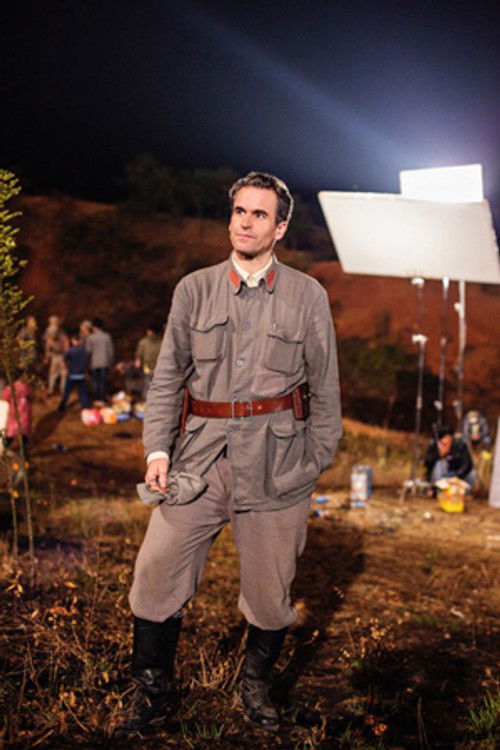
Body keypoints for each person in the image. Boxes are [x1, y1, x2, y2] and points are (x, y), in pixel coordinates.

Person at [117, 172, 342, 735]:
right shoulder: (194, 289)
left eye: (259, 214)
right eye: (240, 211)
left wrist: (313, 461)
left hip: (277, 467)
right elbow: (168, 379)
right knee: (155, 572)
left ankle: (256, 690)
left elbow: (326, 389)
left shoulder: (307, 296)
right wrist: (157, 450)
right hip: (199, 462)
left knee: (269, 595)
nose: (245, 222)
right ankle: (151, 694)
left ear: (280, 228)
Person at [58, 332, 91, 411]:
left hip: (72, 374)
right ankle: (86, 406)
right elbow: (87, 361)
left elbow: (64, 362)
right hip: (81, 374)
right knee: (83, 392)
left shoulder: (70, 350)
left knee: (67, 392)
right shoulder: (84, 350)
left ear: (73, 341)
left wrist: (66, 368)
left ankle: (62, 406)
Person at [2, 374, 32, 459]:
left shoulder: (11, 387)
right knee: (24, 435)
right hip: (25, 413)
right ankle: (24, 454)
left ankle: (4, 448)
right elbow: (31, 395)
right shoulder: (27, 387)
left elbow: (5, 396)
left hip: (14, 413)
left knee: (11, 433)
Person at [85, 318, 114, 404]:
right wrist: (110, 362)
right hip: (104, 362)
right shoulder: (107, 336)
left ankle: (96, 399)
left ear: (94, 327)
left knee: (95, 381)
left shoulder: (90, 337)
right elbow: (110, 351)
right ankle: (102, 399)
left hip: (94, 363)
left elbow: (88, 352)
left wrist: (87, 363)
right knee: (103, 381)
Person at [134, 323, 163, 399]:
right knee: (159, 385)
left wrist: (137, 363)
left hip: (147, 368)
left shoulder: (144, 342)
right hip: (160, 368)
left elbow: (139, 355)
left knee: (147, 385)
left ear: (149, 331)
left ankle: (146, 400)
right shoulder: (163, 341)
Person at [43, 315, 69, 395]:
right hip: (55, 355)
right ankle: (52, 389)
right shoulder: (49, 331)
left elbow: (65, 343)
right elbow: (48, 344)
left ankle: (60, 389)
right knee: (55, 373)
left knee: (62, 373)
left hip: (60, 355)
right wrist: (47, 356)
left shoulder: (60, 331)